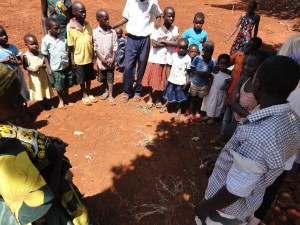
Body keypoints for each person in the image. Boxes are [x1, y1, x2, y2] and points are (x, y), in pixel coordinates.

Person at [194, 55, 300, 225]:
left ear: (257, 84)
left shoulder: (258, 136)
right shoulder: (291, 119)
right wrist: (224, 158)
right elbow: (263, 164)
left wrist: (205, 207)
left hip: (224, 212)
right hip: (246, 207)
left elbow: (235, 190)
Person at [0, 62, 90, 225]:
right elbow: (40, 215)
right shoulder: (5, 153)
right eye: (14, 100)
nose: (23, 101)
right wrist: (57, 159)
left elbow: (19, 137)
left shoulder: (3, 127)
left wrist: (44, 141)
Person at [248, 33, 300, 225]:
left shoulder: (291, 97)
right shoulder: (291, 91)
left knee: (259, 189)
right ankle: (256, 217)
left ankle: (251, 218)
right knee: (269, 190)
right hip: (284, 158)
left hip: (267, 156)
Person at [112, 0, 162, 103]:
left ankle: (138, 91)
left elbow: (158, 14)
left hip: (145, 38)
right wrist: (113, 26)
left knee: (142, 65)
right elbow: (126, 17)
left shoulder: (152, 2)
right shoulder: (130, 1)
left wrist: (157, 23)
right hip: (131, 38)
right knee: (128, 66)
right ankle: (127, 91)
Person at [220, 37, 262, 137]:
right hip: (232, 93)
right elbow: (227, 65)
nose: (245, 67)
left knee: (232, 122)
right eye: (244, 65)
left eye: (250, 47)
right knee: (227, 117)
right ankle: (223, 135)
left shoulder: (256, 84)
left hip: (245, 120)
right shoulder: (238, 56)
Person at [142, 6, 179, 109]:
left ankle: (158, 98)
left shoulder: (175, 29)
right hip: (155, 59)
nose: (171, 19)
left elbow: (176, 43)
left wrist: (162, 41)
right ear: (163, 16)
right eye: (169, 16)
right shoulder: (156, 29)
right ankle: (150, 98)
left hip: (167, 59)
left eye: (173, 17)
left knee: (162, 80)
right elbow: (154, 44)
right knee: (152, 80)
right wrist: (169, 41)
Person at [67, 1, 97, 106]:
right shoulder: (70, 27)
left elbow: (91, 41)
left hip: (88, 57)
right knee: (81, 78)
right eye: (81, 12)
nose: (84, 14)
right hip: (78, 58)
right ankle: (84, 94)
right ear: (74, 12)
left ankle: (89, 92)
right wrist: (72, 60)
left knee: (89, 76)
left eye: (85, 12)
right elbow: (70, 45)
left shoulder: (88, 24)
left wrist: (93, 55)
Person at [42, 18, 74, 109]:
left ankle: (67, 98)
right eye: (56, 28)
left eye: (59, 27)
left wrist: (71, 62)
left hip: (66, 65)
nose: (59, 30)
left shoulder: (63, 38)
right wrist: (48, 68)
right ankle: (61, 100)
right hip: (55, 68)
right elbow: (45, 56)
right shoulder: (46, 40)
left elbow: (68, 51)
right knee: (59, 86)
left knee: (67, 83)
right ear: (49, 29)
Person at [0, 26, 30, 122]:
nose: (4, 37)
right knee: (13, 97)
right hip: (8, 80)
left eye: (4, 34)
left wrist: (14, 62)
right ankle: (17, 116)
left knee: (22, 92)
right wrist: (5, 61)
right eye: (1, 36)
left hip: (17, 74)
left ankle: (25, 111)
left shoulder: (13, 47)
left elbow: (20, 62)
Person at [186, 41, 217, 121]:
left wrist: (208, 76)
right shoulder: (198, 58)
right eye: (207, 51)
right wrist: (200, 73)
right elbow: (192, 68)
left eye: (211, 51)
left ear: (213, 51)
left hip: (204, 84)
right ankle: (190, 113)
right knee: (192, 98)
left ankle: (197, 112)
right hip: (195, 83)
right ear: (203, 50)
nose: (209, 53)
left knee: (200, 100)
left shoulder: (213, 61)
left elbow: (213, 73)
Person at [93, 9, 118, 106]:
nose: (108, 21)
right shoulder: (95, 33)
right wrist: (102, 59)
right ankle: (106, 91)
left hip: (111, 60)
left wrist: (113, 58)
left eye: (108, 19)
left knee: (110, 78)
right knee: (103, 78)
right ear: (98, 20)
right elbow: (95, 48)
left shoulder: (112, 32)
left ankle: (111, 95)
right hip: (101, 61)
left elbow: (115, 46)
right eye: (105, 19)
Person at [23, 34, 54, 110]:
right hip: (35, 78)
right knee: (38, 90)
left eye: (36, 43)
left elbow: (46, 64)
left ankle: (46, 102)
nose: (35, 46)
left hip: (43, 76)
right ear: (26, 45)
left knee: (44, 88)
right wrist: (32, 69)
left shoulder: (41, 54)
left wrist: (39, 66)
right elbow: (25, 67)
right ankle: (41, 105)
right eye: (32, 44)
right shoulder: (26, 56)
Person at [162, 38, 191, 120]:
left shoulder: (187, 59)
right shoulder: (174, 55)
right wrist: (168, 77)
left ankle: (179, 110)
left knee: (180, 96)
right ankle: (169, 105)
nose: (181, 50)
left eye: (184, 48)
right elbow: (169, 67)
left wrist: (187, 82)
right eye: (180, 47)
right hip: (172, 79)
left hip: (181, 81)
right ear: (177, 46)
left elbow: (188, 72)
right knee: (170, 93)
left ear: (187, 48)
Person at [201, 54, 231, 124]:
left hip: (220, 93)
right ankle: (209, 115)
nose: (222, 65)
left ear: (228, 64)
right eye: (221, 63)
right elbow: (210, 81)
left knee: (217, 106)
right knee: (210, 104)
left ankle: (214, 118)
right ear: (218, 63)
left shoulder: (228, 75)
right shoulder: (215, 72)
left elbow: (227, 87)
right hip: (212, 91)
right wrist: (207, 90)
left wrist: (227, 84)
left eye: (225, 64)